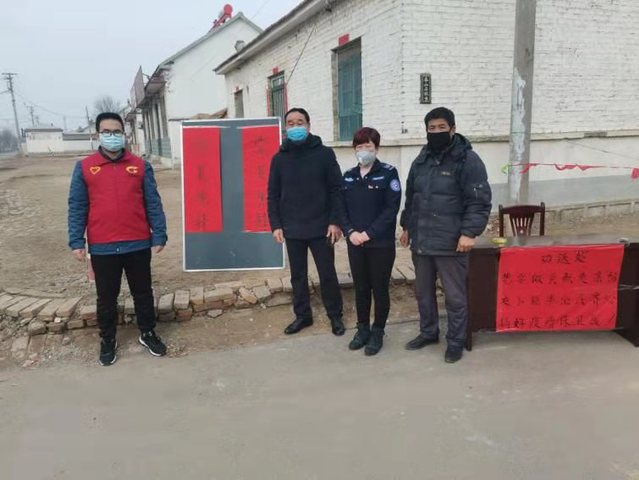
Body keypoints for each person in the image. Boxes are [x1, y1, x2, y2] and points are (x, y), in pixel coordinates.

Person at [68, 112, 168, 366]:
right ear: (97, 135)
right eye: (106, 132)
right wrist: (76, 241)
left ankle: (147, 332)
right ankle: (108, 339)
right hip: (103, 246)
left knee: (142, 293)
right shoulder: (85, 167)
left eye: (116, 132)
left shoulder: (140, 166)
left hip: (138, 243)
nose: (112, 136)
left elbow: (153, 202)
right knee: (106, 298)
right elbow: (77, 206)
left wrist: (159, 233)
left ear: (124, 134)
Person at [399, 107, 491, 363]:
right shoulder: (422, 159)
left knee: (454, 296)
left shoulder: (467, 159)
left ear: (453, 129)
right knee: (423, 293)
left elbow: (479, 201)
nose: (436, 132)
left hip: (451, 243)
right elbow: (412, 196)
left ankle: (456, 341)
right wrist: (406, 226)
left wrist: (469, 232)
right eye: (432, 128)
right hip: (422, 240)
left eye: (442, 127)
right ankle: (428, 332)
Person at [267, 107, 345, 336]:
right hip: (292, 227)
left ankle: (335, 315)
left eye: (299, 122)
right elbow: (272, 194)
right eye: (290, 123)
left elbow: (337, 189)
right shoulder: (279, 159)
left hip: (322, 227)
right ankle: (303, 315)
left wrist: (335, 221)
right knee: (298, 276)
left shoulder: (324, 154)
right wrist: (276, 225)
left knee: (327, 273)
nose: (295, 127)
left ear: (309, 126)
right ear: (285, 128)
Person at [341, 127, 401, 356]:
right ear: (354, 149)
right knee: (361, 288)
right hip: (355, 244)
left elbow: (391, 210)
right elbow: (341, 208)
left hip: (380, 244)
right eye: (360, 146)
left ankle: (378, 331)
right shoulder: (348, 175)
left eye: (368, 146)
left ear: (377, 148)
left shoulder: (388, 173)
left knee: (379, 288)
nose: (364, 150)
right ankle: (363, 329)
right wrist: (350, 232)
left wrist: (368, 234)